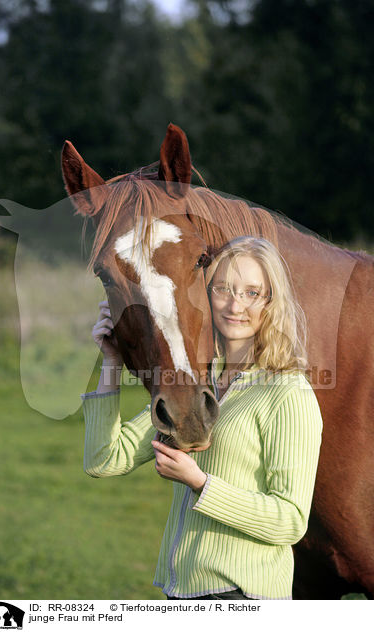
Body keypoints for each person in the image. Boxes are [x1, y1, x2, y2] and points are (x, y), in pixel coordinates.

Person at [82, 236, 322, 600]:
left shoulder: (288, 392)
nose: (234, 304)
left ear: (271, 302)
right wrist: (112, 363)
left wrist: (199, 483)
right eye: (223, 289)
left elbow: (289, 521)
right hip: (181, 594)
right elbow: (104, 459)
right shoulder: (198, 389)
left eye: (252, 293)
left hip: (243, 596)